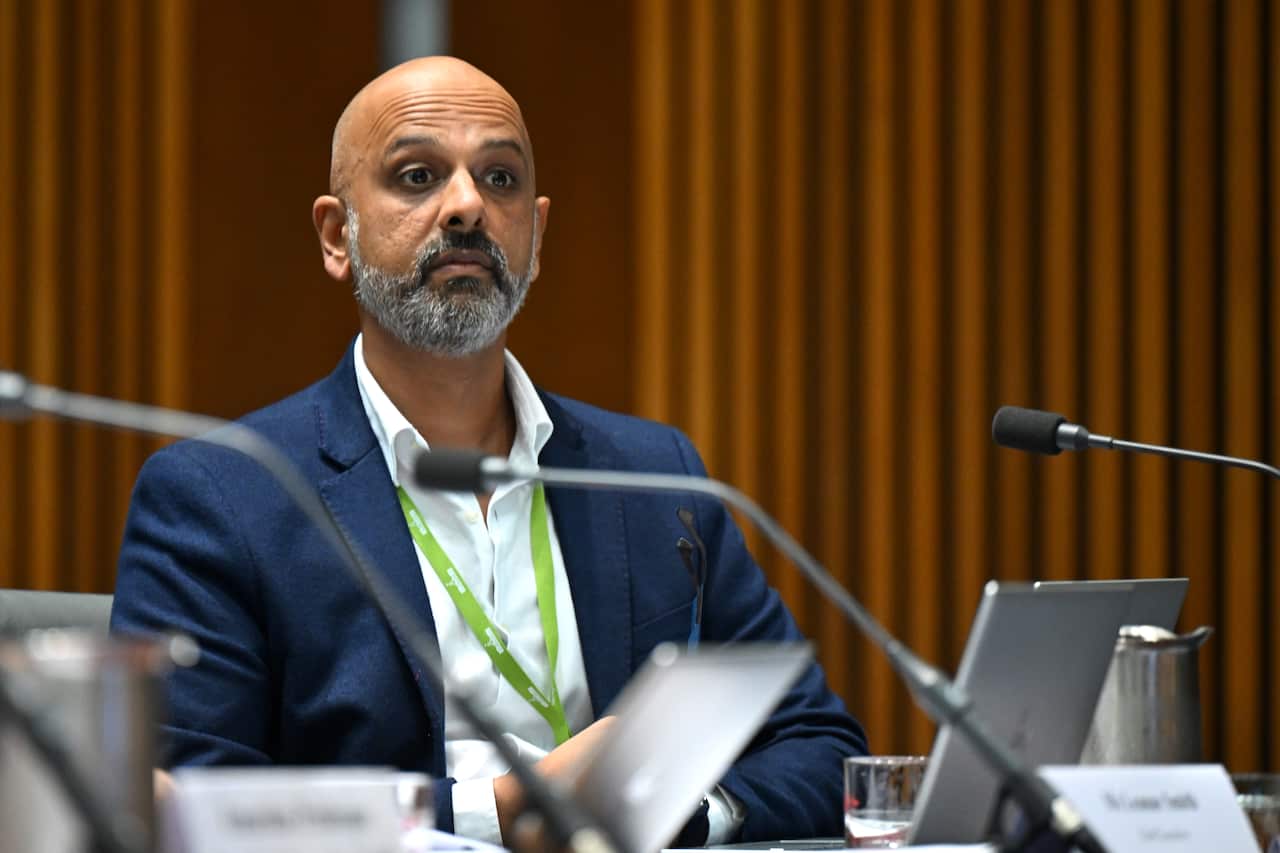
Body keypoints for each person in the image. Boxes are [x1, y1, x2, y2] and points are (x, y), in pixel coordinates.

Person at [111, 56, 868, 846]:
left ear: (536, 237)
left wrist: (683, 812)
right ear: (339, 236)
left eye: (500, 180)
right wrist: (508, 810)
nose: (468, 205)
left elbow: (819, 746)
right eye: (416, 176)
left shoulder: (651, 475)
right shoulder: (225, 493)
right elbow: (191, 801)